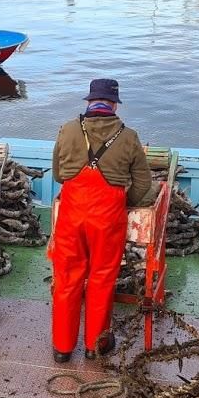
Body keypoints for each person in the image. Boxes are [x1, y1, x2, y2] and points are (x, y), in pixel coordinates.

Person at [49, 79, 154, 363]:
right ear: (114, 105)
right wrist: (125, 201)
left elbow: (59, 175)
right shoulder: (129, 136)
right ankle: (96, 346)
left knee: (67, 278)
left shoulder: (68, 129)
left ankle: (62, 348)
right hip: (107, 219)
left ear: (89, 102)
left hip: (71, 216)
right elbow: (144, 183)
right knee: (101, 278)